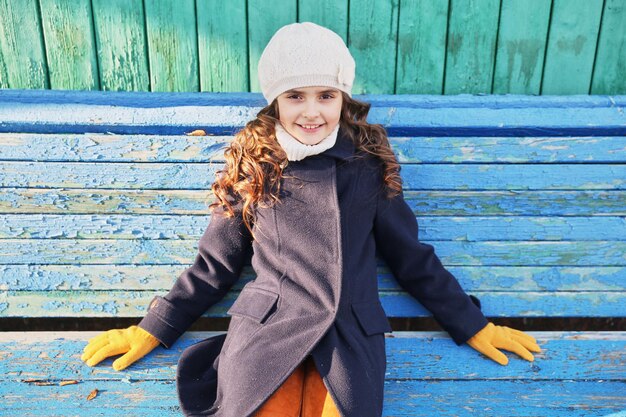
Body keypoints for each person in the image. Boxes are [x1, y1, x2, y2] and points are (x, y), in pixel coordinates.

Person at [81, 22, 541, 417]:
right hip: (267, 332)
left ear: (343, 98)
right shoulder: (254, 164)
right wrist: (154, 327)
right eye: (295, 95)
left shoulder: (366, 166)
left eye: (326, 95)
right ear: (275, 101)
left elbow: (412, 259)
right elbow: (215, 266)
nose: (312, 111)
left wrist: (472, 324)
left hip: (348, 335)